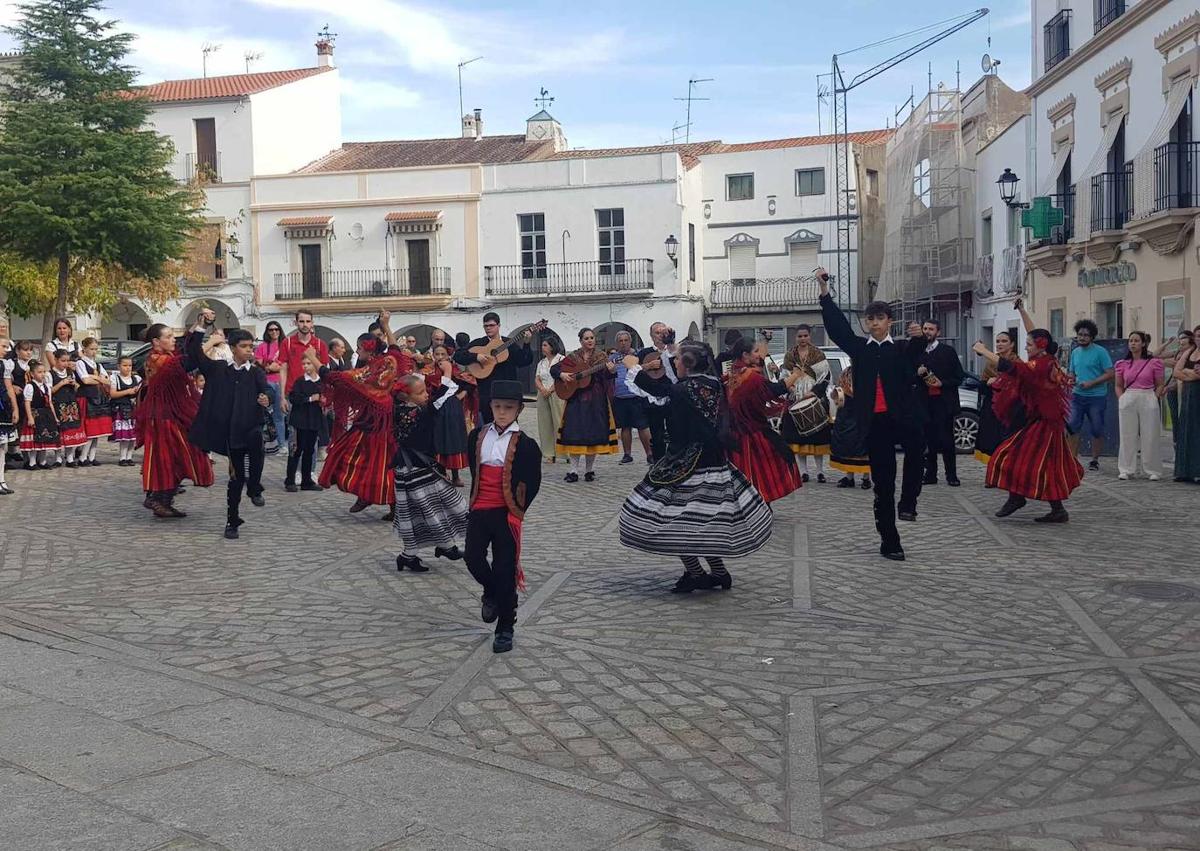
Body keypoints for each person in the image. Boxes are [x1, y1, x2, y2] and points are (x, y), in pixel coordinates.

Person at [619, 340, 774, 593]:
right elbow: (671, 388)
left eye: (677, 359)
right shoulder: (714, 384)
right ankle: (718, 573)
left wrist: (634, 368)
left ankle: (696, 573)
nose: (674, 363)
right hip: (715, 462)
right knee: (701, 524)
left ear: (688, 363)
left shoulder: (683, 390)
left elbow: (662, 390)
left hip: (687, 466)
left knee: (677, 522)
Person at [818, 267, 926, 561]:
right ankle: (890, 540)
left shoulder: (901, 349)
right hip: (875, 424)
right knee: (883, 483)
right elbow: (838, 328)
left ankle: (909, 503)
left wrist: (919, 337)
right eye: (870, 319)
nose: (874, 323)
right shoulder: (859, 349)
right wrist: (825, 293)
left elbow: (917, 351)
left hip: (903, 419)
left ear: (890, 321)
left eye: (879, 318)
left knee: (918, 450)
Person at [464, 379, 542, 654]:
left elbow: (532, 482)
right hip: (479, 509)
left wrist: (517, 509)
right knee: (472, 557)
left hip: (506, 513)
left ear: (519, 409)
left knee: (505, 569)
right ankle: (492, 591)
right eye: (497, 407)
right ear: (490, 406)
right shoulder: (477, 436)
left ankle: (505, 627)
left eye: (508, 408)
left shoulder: (527, 445)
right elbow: (475, 470)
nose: (502, 412)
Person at [974, 329, 1082, 522]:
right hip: (1041, 421)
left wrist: (983, 350)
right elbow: (1036, 332)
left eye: (1029, 344)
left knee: (1013, 457)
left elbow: (1010, 367)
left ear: (1040, 346)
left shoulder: (1039, 365)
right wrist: (1023, 313)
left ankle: (1019, 498)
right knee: (1044, 465)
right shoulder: (1047, 359)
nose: (1026, 347)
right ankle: (1052, 508)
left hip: (1046, 424)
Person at [319, 316, 414, 516]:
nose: (357, 351)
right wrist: (386, 325)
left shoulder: (373, 368)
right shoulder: (388, 361)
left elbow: (340, 378)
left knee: (379, 460)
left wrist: (314, 361)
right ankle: (370, 496)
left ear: (369, 349)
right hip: (376, 418)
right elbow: (395, 349)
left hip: (380, 421)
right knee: (372, 458)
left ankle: (387, 502)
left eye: (359, 347)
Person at [186, 326, 271, 539]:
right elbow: (195, 354)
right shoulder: (219, 369)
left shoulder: (256, 372)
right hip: (232, 433)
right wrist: (201, 328)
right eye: (244, 346)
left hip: (251, 425)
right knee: (236, 477)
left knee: (257, 452)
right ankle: (232, 520)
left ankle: (255, 487)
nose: (249, 350)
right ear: (233, 348)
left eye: (251, 346)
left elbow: (267, 389)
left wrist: (266, 398)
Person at [383, 371, 469, 572]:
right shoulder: (416, 413)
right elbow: (439, 400)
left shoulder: (401, 409)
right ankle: (410, 555)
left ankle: (443, 546)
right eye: (421, 392)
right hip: (414, 470)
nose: (426, 395)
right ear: (406, 397)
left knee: (433, 507)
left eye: (425, 391)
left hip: (417, 468)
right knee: (429, 509)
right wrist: (447, 374)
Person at [136, 319, 215, 518]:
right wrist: (209, 340)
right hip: (163, 417)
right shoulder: (158, 360)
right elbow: (189, 362)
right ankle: (157, 498)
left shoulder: (167, 356)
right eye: (169, 336)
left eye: (173, 335)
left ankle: (161, 498)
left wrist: (200, 326)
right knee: (170, 457)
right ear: (156, 342)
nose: (173, 340)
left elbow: (184, 346)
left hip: (170, 414)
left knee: (180, 456)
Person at [724, 338, 803, 502]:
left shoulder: (732, 374)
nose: (758, 355)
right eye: (755, 351)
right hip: (753, 434)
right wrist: (796, 375)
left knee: (743, 476)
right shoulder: (750, 378)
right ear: (745, 355)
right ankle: (759, 504)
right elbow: (774, 390)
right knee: (766, 469)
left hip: (735, 435)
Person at [551, 327, 618, 482]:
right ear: (581, 341)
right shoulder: (573, 357)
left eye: (592, 338)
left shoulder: (602, 357)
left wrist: (612, 370)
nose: (590, 341)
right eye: (586, 338)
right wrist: (562, 374)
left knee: (593, 435)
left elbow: (607, 376)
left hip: (596, 400)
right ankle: (573, 470)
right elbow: (554, 369)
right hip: (576, 399)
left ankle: (589, 470)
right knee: (574, 433)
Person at [454, 312, 534, 425]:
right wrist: (476, 356)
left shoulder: (509, 343)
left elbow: (524, 361)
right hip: (487, 392)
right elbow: (458, 355)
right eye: (485, 326)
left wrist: (526, 343)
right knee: (487, 425)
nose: (488, 328)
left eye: (491, 325)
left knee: (508, 425)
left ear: (498, 325)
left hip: (507, 391)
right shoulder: (479, 343)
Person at [916, 318, 964, 486]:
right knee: (928, 441)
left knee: (946, 440)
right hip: (924, 403)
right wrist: (917, 373)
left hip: (943, 403)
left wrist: (942, 383)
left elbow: (959, 377)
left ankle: (951, 475)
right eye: (925, 328)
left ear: (938, 332)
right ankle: (930, 474)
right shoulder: (917, 351)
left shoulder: (948, 352)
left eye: (931, 329)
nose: (927, 332)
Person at [781, 325, 831, 482]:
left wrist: (814, 392)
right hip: (795, 398)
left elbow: (825, 376)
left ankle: (820, 472)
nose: (802, 339)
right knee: (798, 439)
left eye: (805, 336)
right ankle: (803, 472)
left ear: (810, 336)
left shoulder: (818, 354)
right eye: (800, 336)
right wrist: (791, 388)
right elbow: (784, 376)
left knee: (817, 437)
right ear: (796, 337)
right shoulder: (790, 355)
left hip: (814, 398)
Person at [974, 330, 1025, 476]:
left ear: (1012, 344)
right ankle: (993, 474)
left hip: (1011, 409)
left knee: (1008, 441)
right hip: (991, 407)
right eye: (997, 341)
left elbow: (1020, 386)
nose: (999, 344)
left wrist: (1001, 382)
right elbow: (982, 386)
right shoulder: (991, 362)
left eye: (1004, 341)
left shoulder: (1017, 363)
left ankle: (1009, 475)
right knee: (991, 440)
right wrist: (988, 383)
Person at [1114, 331, 1164, 481]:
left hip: (1147, 394)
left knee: (1150, 434)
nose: (1133, 344)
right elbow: (1118, 385)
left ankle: (1152, 469)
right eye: (1131, 341)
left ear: (1143, 343)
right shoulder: (1122, 364)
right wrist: (1122, 399)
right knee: (1127, 434)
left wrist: (1154, 397)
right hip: (1129, 395)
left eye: (1136, 341)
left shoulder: (1154, 362)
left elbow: (1160, 384)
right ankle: (1126, 468)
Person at [1067, 319, 1114, 471]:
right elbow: (1072, 372)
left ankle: (1094, 460)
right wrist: (1070, 379)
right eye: (1080, 334)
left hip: (1096, 396)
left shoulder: (1100, 352)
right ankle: (1072, 459)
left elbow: (1110, 373)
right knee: (1072, 425)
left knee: (1096, 428)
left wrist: (1092, 383)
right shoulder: (1075, 352)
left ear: (1092, 337)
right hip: (1077, 395)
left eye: (1086, 335)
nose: (1082, 338)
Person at [277, 309, 330, 427]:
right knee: (294, 431)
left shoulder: (320, 344)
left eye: (308, 321)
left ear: (312, 323)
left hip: (315, 393)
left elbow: (325, 372)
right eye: (301, 321)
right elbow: (283, 370)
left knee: (316, 431)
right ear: (296, 323)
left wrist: (326, 395)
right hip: (294, 393)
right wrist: (282, 397)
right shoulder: (287, 343)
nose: (305, 324)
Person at [429, 344, 473, 486]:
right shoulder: (429, 371)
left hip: (452, 408)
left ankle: (455, 475)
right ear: (433, 355)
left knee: (453, 438)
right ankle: (441, 472)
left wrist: (461, 395)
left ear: (448, 356)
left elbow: (470, 382)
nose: (440, 357)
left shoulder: (455, 370)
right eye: (437, 354)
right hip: (437, 409)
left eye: (443, 354)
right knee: (440, 438)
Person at [610, 331, 652, 464]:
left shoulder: (638, 355)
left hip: (636, 395)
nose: (623, 343)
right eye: (620, 341)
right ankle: (627, 454)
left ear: (630, 341)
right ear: (617, 343)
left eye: (625, 340)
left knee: (642, 426)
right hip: (620, 396)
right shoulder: (612, 358)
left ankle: (650, 454)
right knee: (625, 427)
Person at [285, 355, 325, 493]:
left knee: (309, 450)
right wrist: (310, 398)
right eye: (303, 364)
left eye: (309, 363)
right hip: (300, 421)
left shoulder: (321, 382)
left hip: (314, 420)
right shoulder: (300, 381)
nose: (306, 366)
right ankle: (290, 480)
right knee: (296, 450)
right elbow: (294, 398)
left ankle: (306, 480)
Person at [829, 366, 871, 489]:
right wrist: (836, 394)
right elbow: (838, 391)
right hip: (846, 413)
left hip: (862, 413)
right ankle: (849, 477)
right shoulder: (846, 373)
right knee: (847, 445)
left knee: (863, 445)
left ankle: (866, 478)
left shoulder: (867, 372)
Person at [641, 323, 677, 460]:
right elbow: (634, 370)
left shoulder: (674, 351)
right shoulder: (644, 352)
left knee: (675, 430)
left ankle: (674, 460)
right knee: (657, 434)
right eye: (657, 332)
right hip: (653, 397)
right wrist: (648, 366)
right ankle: (658, 461)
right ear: (651, 336)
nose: (660, 335)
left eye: (663, 332)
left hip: (673, 395)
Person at [75, 337, 113, 465]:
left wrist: (95, 377)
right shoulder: (80, 363)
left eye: (96, 349)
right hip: (86, 397)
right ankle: (83, 457)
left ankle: (92, 457)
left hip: (98, 397)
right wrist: (98, 378)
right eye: (91, 349)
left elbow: (108, 381)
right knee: (89, 429)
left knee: (97, 430)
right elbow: (85, 380)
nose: (94, 352)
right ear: (84, 349)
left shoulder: (97, 365)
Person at [1159, 330, 1195, 458]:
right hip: (1173, 392)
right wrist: (1167, 343)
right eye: (1180, 340)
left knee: (1186, 420)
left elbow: (1184, 377)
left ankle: (1186, 449)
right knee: (1175, 420)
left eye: (1184, 339)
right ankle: (1177, 449)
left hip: (1185, 391)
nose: (1181, 342)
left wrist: (1168, 387)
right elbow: (1156, 356)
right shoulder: (1177, 353)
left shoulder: (1192, 356)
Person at [49, 349, 87, 466]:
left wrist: (74, 385)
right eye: (63, 361)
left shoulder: (70, 372)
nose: (65, 363)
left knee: (71, 430)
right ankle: (58, 458)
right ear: (56, 360)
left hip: (71, 405)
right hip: (58, 405)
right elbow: (49, 391)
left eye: (67, 361)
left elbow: (76, 389)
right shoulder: (50, 374)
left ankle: (70, 457)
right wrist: (62, 383)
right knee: (59, 431)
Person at [20, 360, 59, 470]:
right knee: (35, 440)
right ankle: (32, 462)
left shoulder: (46, 387)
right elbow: (27, 402)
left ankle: (42, 460)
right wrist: (30, 417)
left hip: (46, 415)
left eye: (44, 372)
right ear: (32, 374)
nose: (42, 374)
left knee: (45, 438)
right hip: (35, 414)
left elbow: (50, 403)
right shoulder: (30, 386)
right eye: (39, 372)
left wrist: (55, 417)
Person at [255, 320, 287, 453]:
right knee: (265, 414)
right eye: (271, 330)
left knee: (280, 415)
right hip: (267, 382)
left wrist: (275, 367)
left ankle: (282, 444)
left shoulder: (285, 345)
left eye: (276, 329)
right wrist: (270, 367)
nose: (274, 332)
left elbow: (287, 364)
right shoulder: (262, 346)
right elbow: (258, 362)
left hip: (281, 382)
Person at [534, 337, 567, 463]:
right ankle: (549, 453)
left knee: (559, 421)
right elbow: (537, 378)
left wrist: (551, 389)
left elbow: (562, 377)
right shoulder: (541, 362)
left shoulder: (561, 359)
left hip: (557, 392)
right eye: (542, 345)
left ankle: (564, 453)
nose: (543, 347)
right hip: (543, 393)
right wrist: (542, 389)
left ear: (552, 346)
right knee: (545, 423)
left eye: (545, 345)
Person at [1174, 324, 1200, 483]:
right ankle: (1184, 471)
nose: (1199, 339)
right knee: (1186, 430)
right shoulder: (1189, 352)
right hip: (1188, 395)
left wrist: (1187, 373)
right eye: (1197, 336)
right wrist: (1190, 374)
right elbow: (1177, 371)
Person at [109, 356, 141, 466]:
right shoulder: (115, 378)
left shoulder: (136, 378)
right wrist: (128, 391)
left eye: (130, 365)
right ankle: (122, 457)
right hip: (121, 408)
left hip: (133, 409)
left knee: (132, 436)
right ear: (119, 366)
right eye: (125, 365)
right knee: (124, 436)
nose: (128, 368)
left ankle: (129, 457)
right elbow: (112, 394)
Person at [6, 339, 33, 468]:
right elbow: (5, 380)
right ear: (17, 351)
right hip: (16, 399)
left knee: (25, 427)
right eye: (25, 350)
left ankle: (28, 456)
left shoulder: (32, 365)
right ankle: (9, 453)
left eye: (30, 350)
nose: (28, 353)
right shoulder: (12, 364)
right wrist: (12, 386)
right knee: (14, 426)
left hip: (29, 400)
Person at [0, 336, 16, 493]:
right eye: (3, 346)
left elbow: (9, 387)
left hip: (2, 405)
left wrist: (15, 408)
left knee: (2, 446)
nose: (6, 350)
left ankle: (1, 480)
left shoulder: (4, 364)